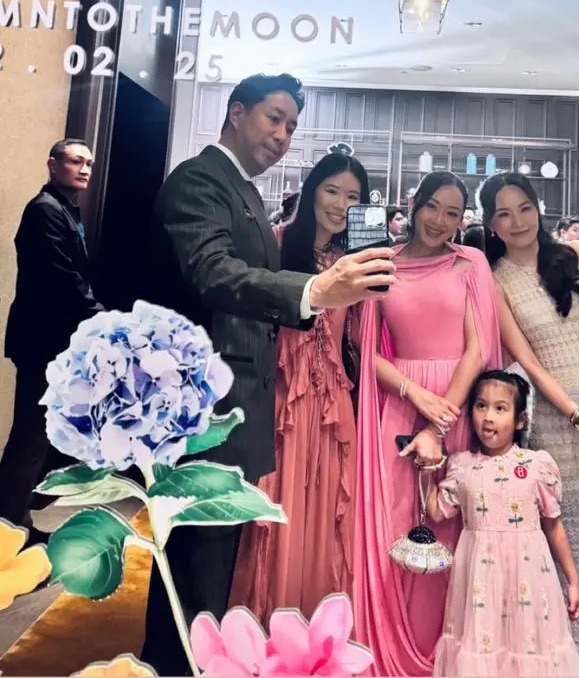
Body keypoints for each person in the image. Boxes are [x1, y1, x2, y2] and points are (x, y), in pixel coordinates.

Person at [142, 73, 396, 676]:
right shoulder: (201, 180)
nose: (282, 135)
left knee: (215, 562)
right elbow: (213, 272)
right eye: (273, 118)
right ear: (237, 112)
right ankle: (178, 665)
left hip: (246, 407)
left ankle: (202, 660)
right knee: (198, 567)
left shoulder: (245, 192)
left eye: (291, 126)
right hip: (210, 407)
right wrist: (315, 290)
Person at [478, 171, 579, 677]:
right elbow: (528, 361)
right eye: (503, 213)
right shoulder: (495, 280)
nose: (517, 221)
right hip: (562, 428)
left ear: (538, 208)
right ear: (490, 223)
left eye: (524, 208)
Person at [354, 171, 502, 676]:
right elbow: (365, 350)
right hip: (399, 402)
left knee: (453, 524)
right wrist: (414, 394)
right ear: (415, 204)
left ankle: (449, 652)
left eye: (453, 213)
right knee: (396, 520)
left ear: (463, 220)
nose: (440, 220)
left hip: (455, 404)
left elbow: (478, 349)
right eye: (433, 207)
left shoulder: (471, 262)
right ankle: (392, 646)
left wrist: (438, 423)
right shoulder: (382, 263)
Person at [231, 152, 369, 622]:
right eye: (332, 191)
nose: (341, 205)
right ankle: (270, 618)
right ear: (312, 191)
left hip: (333, 401)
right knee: (278, 504)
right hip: (282, 398)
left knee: (329, 509)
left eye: (353, 197)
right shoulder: (276, 243)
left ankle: (320, 622)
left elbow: (361, 336)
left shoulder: (354, 262)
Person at [427, 370, 579, 677]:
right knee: (483, 650)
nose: (488, 417)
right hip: (480, 582)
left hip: (529, 578)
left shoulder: (537, 465)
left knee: (529, 649)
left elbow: (553, 525)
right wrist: (425, 469)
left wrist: (573, 580)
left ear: (520, 420)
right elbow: (436, 511)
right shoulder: (462, 466)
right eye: (481, 406)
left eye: (500, 408)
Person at [0, 139, 103, 545]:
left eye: (89, 163)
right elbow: (62, 278)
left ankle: (15, 519)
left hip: (52, 343)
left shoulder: (65, 209)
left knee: (39, 435)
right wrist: (100, 315)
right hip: (42, 343)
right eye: (76, 161)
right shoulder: (45, 210)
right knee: (30, 437)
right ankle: (7, 527)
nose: (85, 169)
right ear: (53, 165)